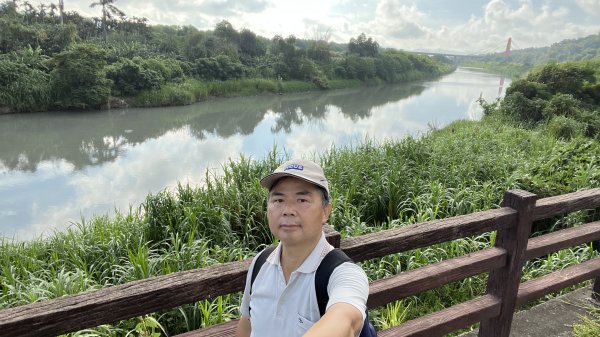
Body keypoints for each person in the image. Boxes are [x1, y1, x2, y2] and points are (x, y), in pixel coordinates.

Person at [235, 159, 369, 337]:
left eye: (302, 200)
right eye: (278, 199)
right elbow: (247, 323)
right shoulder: (260, 263)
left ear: (325, 212)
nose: (288, 210)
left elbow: (345, 319)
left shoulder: (344, 273)